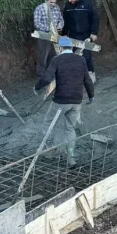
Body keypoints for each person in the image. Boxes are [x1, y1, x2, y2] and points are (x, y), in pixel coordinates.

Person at [34, 36, 94, 167]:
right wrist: (91, 96)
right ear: (72, 47)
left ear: (60, 48)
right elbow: (87, 80)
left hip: (61, 100)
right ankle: (71, 158)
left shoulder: (57, 60)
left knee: (48, 123)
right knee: (69, 128)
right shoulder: (81, 60)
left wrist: (37, 88)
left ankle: (50, 150)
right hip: (77, 101)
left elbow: (46, 78)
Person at [62, 0, 100, 82]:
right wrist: (64, 34)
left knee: (86, 55)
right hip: (73, 35)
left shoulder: (88, 3)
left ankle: (91, 73)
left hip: (86, 35)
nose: (69, 0)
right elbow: (66, 20)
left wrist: (94, 33)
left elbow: (95, 18)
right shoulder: (68, 6)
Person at [33, 0, 64, 76]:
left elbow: (61, 19)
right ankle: (41, 73)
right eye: (51, 2)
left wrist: (60, 25)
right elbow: (37, 24)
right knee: (43, 55)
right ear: (46, 0)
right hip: (44, 36)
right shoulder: (40, 8)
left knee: (54, 54)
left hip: (55, 36)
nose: (53, 4)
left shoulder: (56, 8)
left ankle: (51, 72)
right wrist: (50, 29)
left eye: (54, 2)